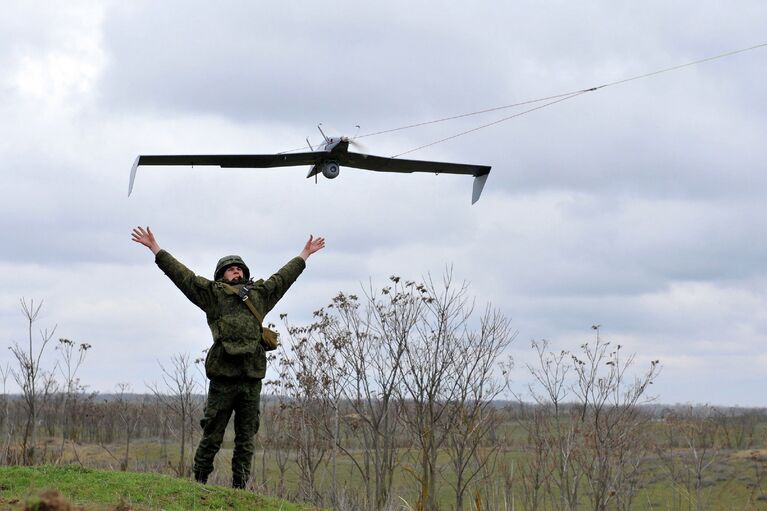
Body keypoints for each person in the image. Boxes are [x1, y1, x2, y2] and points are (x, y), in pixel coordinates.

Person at [131, 226, 325, 488]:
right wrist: (156, 249)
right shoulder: (213, 296)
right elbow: (184, 277)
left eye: (240, 268)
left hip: (250, 378)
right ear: (221, 274)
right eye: (231, 268)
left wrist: (304, 254)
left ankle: (240, 488)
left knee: (246, 438)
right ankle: (198, 483)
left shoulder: (259, 295)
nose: (237, 271)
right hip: (223, 377)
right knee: (212, 434)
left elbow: (283, 278)